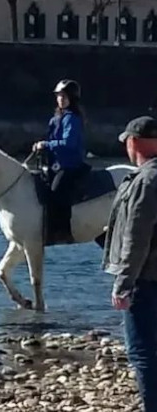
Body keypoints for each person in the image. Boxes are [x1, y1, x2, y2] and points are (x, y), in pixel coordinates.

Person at [102, 115, 157, 412]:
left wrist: (123, 284)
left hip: (146, 280)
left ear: (134, 142)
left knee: (143, 353)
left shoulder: (146, 181)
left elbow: (137, 237)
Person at [32, 79, 89, 243]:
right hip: (55, 164)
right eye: (58, 96)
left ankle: (63, 231)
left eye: (64, 96)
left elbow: (68, 143)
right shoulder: (57, 118)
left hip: (70, 165)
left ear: (72, 98)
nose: (60, 99)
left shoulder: (72, 119)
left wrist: (46, 145)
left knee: (56, 191)